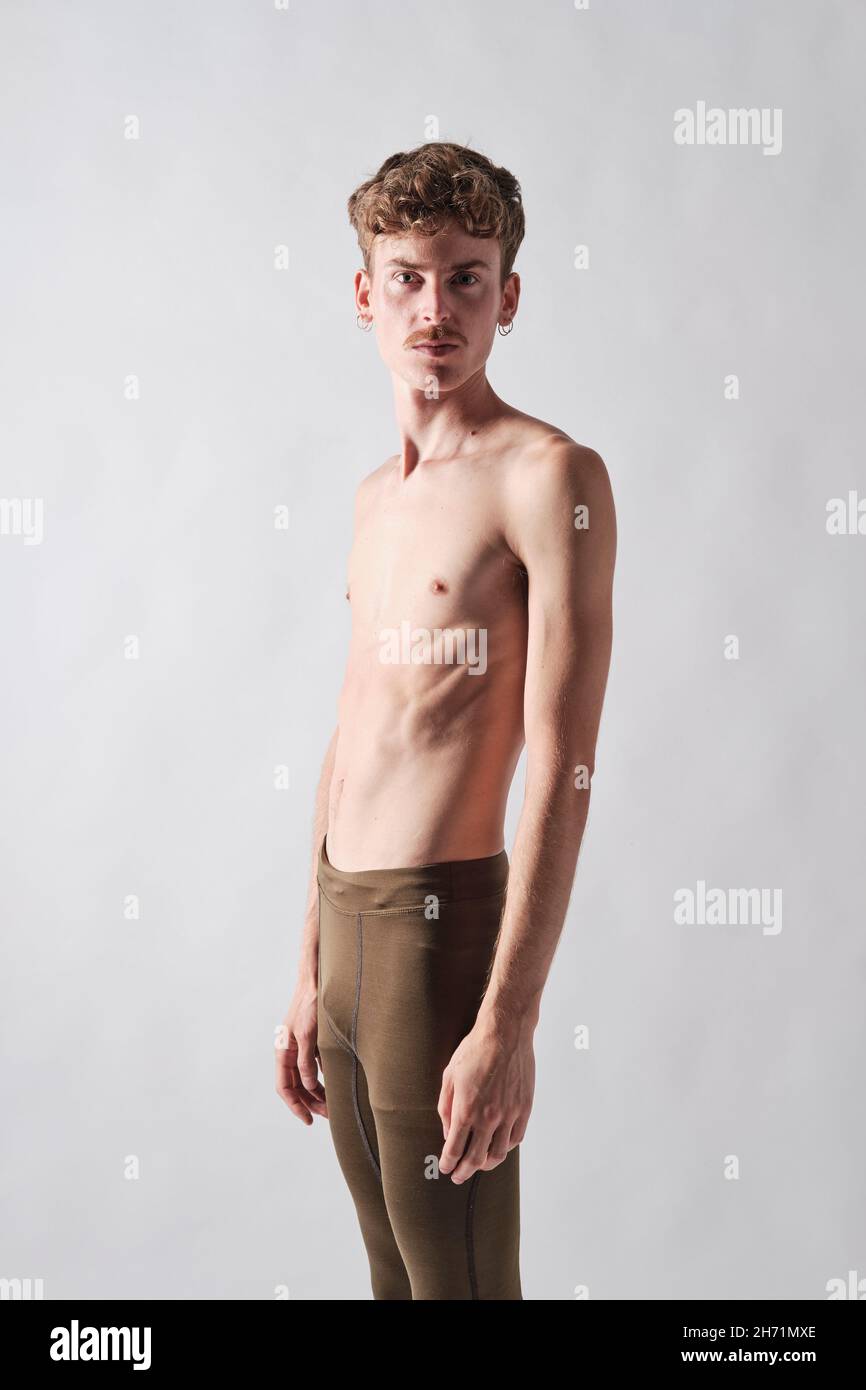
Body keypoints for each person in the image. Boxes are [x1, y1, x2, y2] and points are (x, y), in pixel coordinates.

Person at [275, 141, 616, 1300]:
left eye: (468, 276)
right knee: (393, 1284)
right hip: (348, 933)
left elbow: (564, 764)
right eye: (409, 275)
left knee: (462, 1292)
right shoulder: (376, 496)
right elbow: (360, 721)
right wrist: (310, 961)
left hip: (441, 940)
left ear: (508, 296)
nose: (436, 307)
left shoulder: (548, 476)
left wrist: (509, 1018)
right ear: (364, 290)